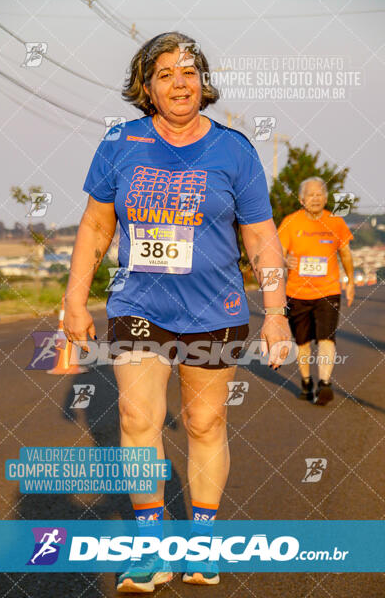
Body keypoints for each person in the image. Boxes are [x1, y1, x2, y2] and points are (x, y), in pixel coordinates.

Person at [63, 31, 291, 593]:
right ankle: (150, 547)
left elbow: (261, 237)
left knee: (204, 423)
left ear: (203, 82)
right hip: (139, 305)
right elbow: (96, 224)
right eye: (163, 74)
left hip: (216, 310)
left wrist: (277, 311)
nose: (178, 83)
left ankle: (204, 540)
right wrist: (73, 299)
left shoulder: (234, 150)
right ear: (147, 87)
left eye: (187, 72)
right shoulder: (120, 143)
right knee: (138, 420)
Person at [278, 177, 354, 405]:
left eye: (320, 193)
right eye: (310, 194)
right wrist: (285, 259)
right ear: (301, 199)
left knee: (326, 338)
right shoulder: (291, 223)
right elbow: (278, 251)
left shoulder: (336, 222)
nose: (315, 198)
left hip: (328, 291)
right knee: (302, 342)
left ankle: (325, 383)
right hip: (297, 292)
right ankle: (306, 381)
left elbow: (346, 253)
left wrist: (350, 280)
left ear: (326, 198)